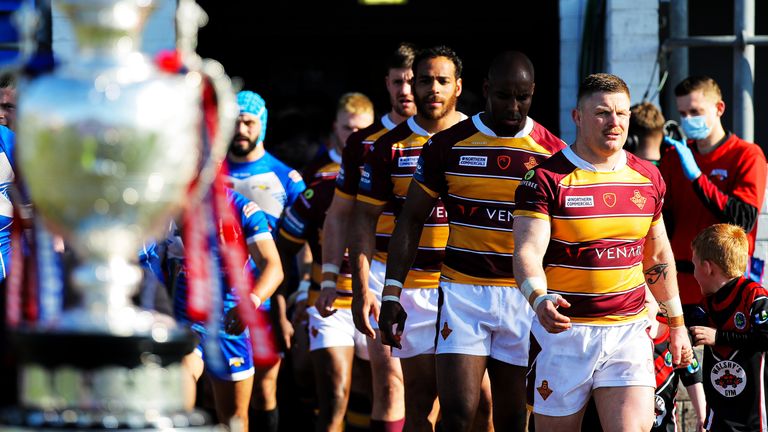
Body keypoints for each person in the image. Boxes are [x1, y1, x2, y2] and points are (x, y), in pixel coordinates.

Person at [380, 51, 563, 431]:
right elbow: (410, 219)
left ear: (533, 94)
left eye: (523, 97)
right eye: (503, 96)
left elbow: (567, 232)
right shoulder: (447, 145)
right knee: (458, 414)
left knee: (512, 418)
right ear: (484, 91)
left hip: (522, 296)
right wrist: (391, 292)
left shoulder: (553, 154)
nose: (513, 107)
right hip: (463, 293)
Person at [513, 73, 693, 431]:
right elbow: (527, 251)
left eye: (622, 114)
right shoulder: (545, 179)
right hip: (566, 334)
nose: (614, 122)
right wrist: (538, 299)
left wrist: (677, 325)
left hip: (627, 332)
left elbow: (657, 257)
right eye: (602, 113)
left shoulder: (648, 178)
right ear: (577, 116)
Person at [350, 45, 485, 432]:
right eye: (423, 80)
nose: (432, 89)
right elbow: (361, 222)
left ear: (458, 86)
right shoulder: (386, 147)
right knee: (419, 406)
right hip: (412, 293)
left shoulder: (480, 138)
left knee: (484, 407)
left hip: (471, 290)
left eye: (442, 81)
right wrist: (363, 289)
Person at [319, 42, 417, 431]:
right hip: (380, 271)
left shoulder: (452, 137)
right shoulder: (365, 142)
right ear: (386, 85)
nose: (407, 90)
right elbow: (338, 216)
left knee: (453, 393)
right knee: (390, 382)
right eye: (399, 82)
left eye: (415, 81)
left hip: (444, 277)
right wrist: (330, 277)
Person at [276, 92, 374, 432]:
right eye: (348, 128)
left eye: (361, 129)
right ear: (335, 128)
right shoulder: (318, 178)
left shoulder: (387, 175)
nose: (353, 136)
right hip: (328, 300)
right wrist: (300, 292)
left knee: (370, 391)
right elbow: (289, 246)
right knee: (334, 391)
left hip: (372, 298)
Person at [226, 90, 306, 431]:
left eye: (249, 121)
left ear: (262, 125)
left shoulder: (286, 178)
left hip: (268, 298)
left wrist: (299, 298)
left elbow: (303, 245)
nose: (241, 129)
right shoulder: (207, 174)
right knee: (220, 389)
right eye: (235, 122)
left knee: (264, 387)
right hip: (219, 294)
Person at [172, 189, 283, 430]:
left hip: (229, 322)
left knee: (234, 420)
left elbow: (273, 267)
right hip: (188, 318)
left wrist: (251, 302)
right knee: (180, 389)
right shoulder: (170, 203)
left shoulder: (243, 208)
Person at [660, 76, 767, 322]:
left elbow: (743, 219)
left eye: (695, 111)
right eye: (683, 113)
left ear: (719, 108)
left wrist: (698, 178)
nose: (688, 120)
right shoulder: (674, 157)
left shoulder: (747, 155)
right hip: (680, 285)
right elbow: (663, 222)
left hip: (727, 291)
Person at [688, 223, 768, 431]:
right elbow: (690, 325)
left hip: (753, 416)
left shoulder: (753, 295)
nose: (694, 274)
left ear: (707, 267)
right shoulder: (707, 304)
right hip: (719, 414)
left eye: (694, 266)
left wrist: (720, 338)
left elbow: (765, 337)